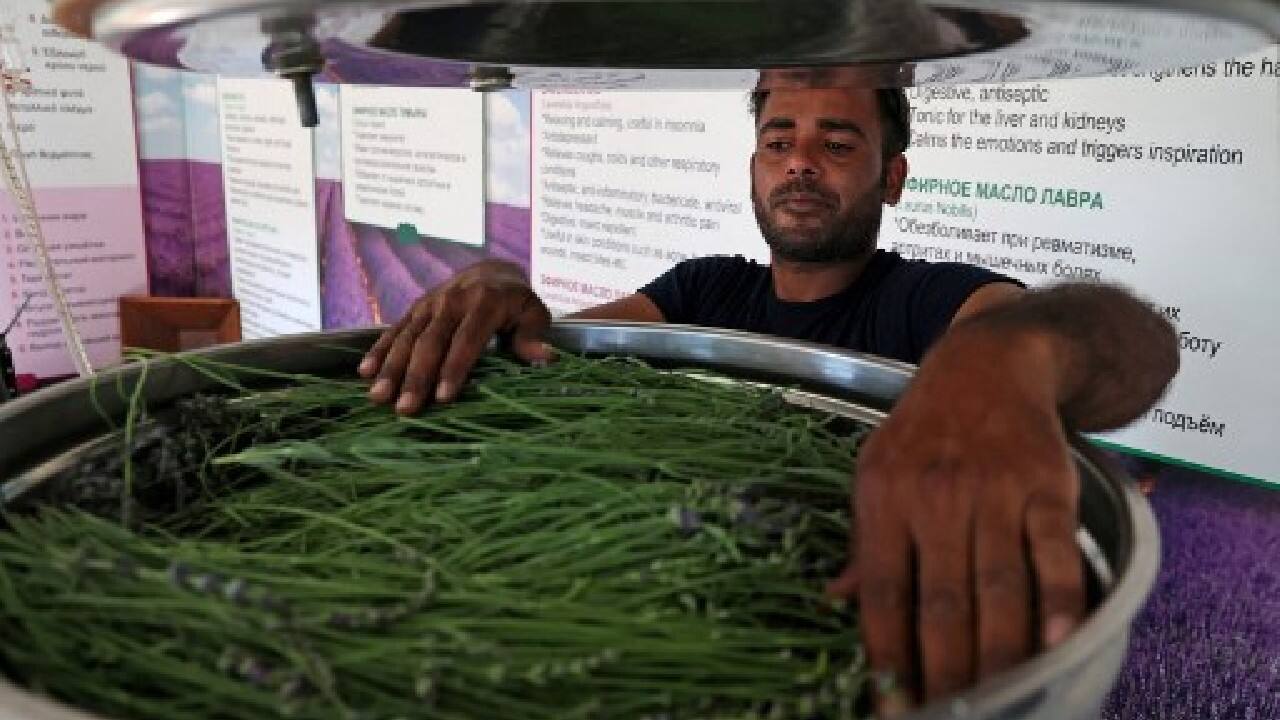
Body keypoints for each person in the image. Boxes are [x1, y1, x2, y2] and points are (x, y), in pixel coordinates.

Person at [357, 84, 1179, 712]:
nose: (800, 162)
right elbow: (547, 348)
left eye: (838, 142)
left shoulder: (925, 300)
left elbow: (1124, 344)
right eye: (778, 141)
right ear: (754, 170)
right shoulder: (704, 290)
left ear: (892, 178)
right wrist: (499, 283)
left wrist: (1004, 363)